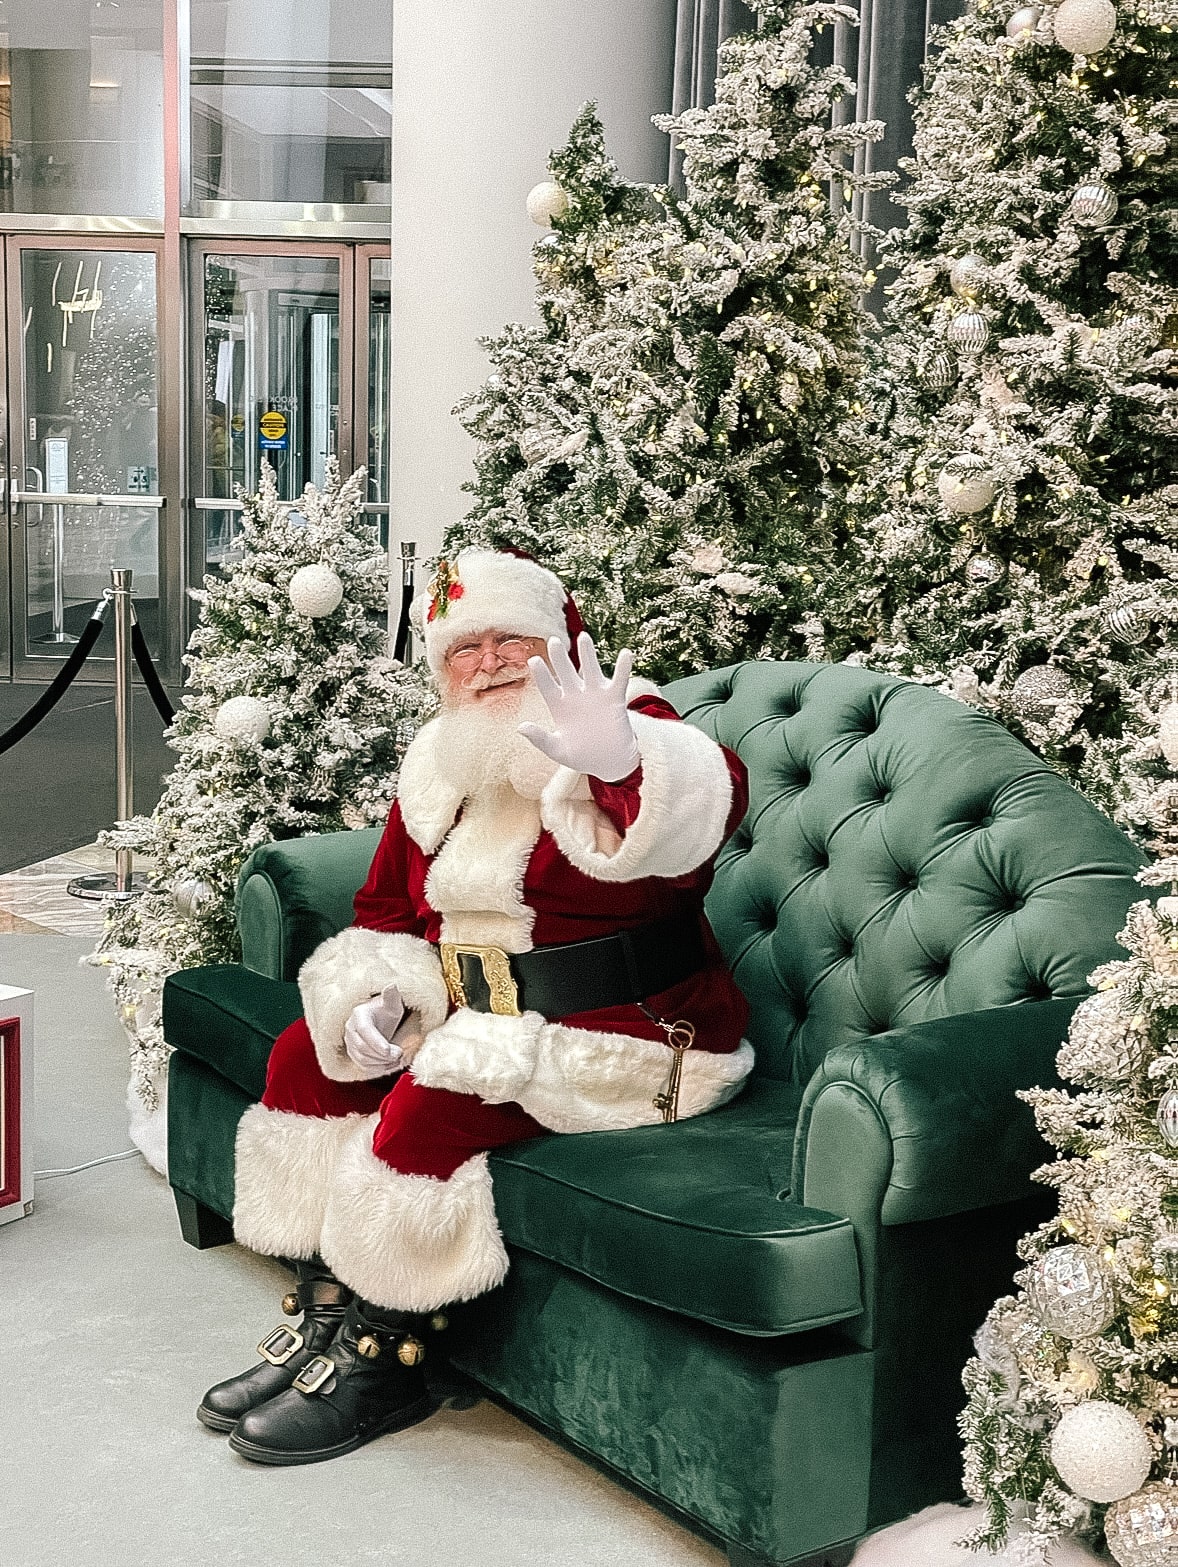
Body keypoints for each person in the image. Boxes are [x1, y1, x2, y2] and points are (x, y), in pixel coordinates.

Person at [199, 547, 753, 1465]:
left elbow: (698, 817)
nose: (490, 661)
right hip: (471, 1012)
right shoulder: (438, 759)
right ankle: (327, 1311)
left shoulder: (624, 725)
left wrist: (618, 761)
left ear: (562, 643)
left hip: (628, 1036)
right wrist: (377, 994)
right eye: (467, 648)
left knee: (430, 1106)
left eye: (512, 640)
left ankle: (388, 1359)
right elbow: (386, 906)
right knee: (309, 1057)